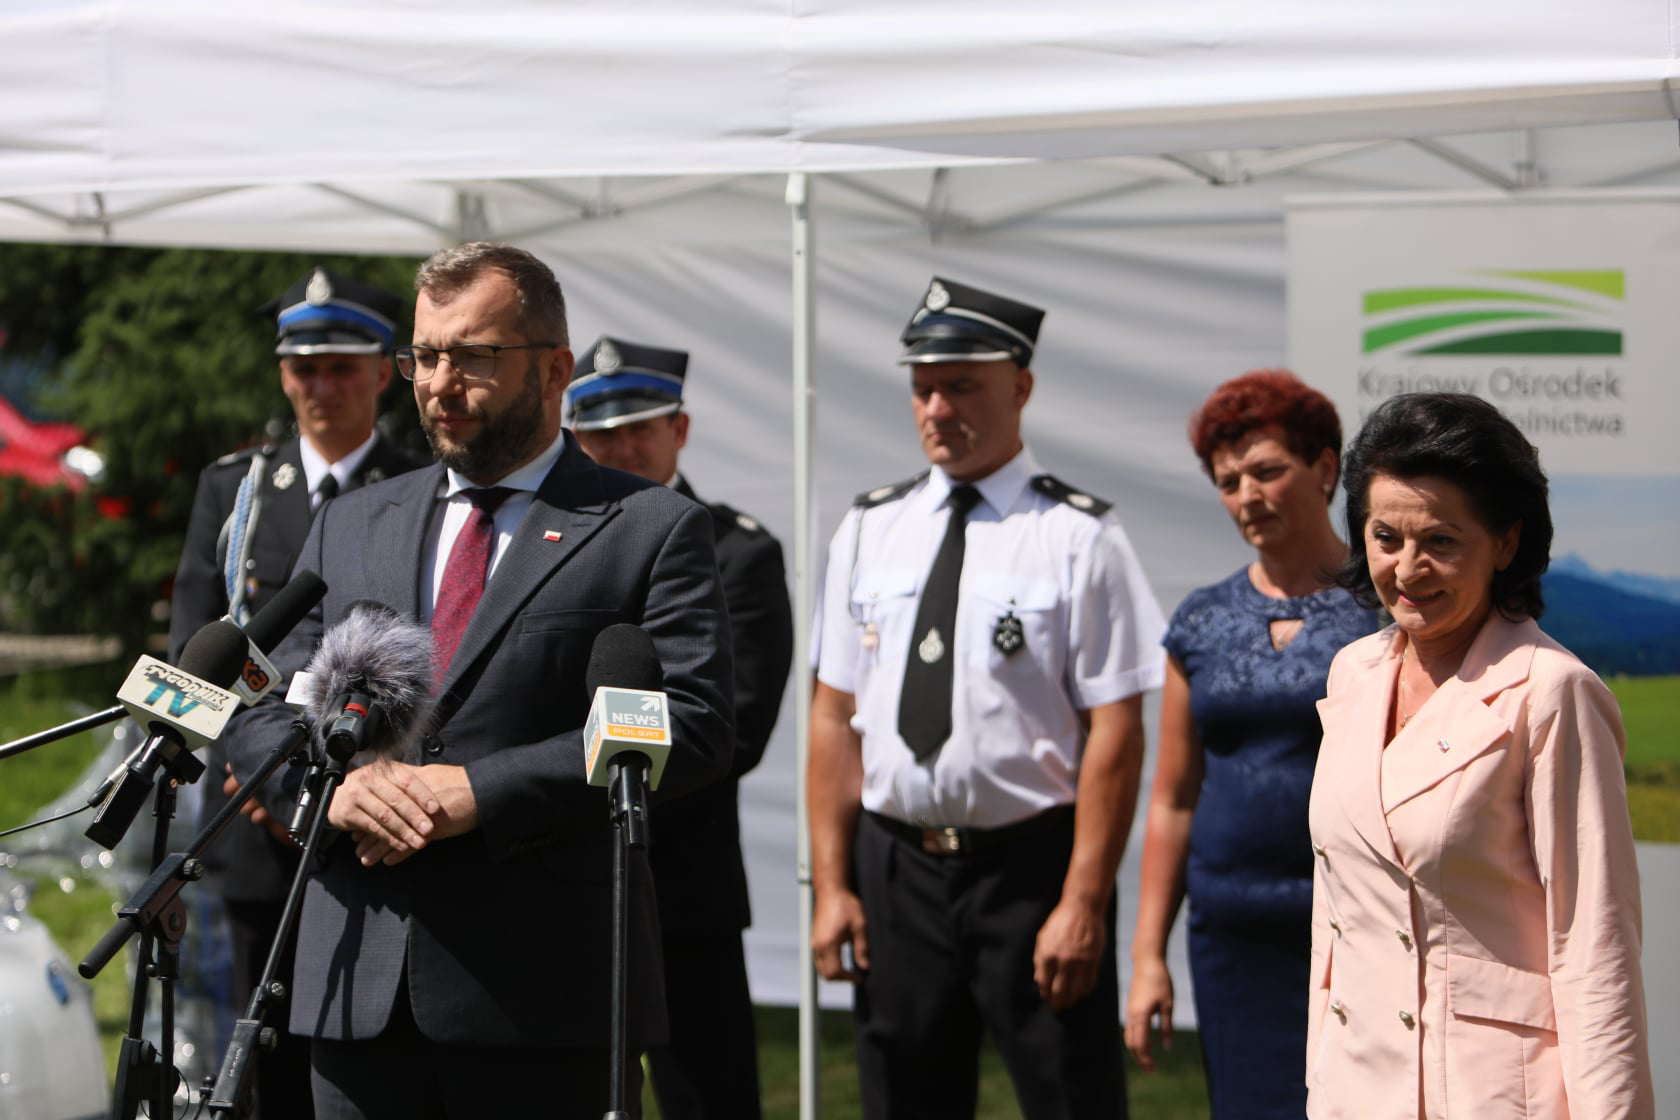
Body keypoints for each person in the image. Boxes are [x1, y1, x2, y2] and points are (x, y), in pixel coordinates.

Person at [222, 243, 735, 1119]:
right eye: (424, 356)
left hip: (541, 997)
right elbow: (264, 696)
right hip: (356, 984)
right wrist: (335, 792)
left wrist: (481, 792)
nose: (439, 383)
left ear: (555, 369)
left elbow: (689, 723)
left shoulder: (648, 527)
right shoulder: (352, 523)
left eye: (473, 356)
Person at [809, 277, 1167, 1119]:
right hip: (895, 867)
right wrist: (832, 885)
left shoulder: (1078, 535)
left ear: (1021, 388)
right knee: (902, 1102)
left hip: (1030, 871)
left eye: (962, 385)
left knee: (1070, 1098)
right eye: (924, 388)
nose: (938, 407)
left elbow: (1116, 731)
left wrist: (1083, 902)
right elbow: (833, 715)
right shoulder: (869, 527)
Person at [1308, 392, 1653, 1119]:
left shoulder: (1552, 691)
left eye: (1440, 541)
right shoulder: (1352, 672)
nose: (1408, 569)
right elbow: (1337, 916)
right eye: (1385, 537)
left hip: (1491, 1092)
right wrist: (1320, 1080)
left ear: (1505, 542)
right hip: (1356, 1085)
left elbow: (1595, 946)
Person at [169, 267, 422, 1120]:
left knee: (368, 1062)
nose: (321, 386)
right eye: (303, 368)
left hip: (372, 814)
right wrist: (258, 772)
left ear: (383, 372)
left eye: (341, 367)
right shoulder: (234, 488)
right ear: (282, 374)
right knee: (262, 1062)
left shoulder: (421, 486)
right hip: (254, 820)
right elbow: (197, 649)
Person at [1123, 370, 1377, 1117]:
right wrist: (1147, 956)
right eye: (1228, 482)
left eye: (1266, 471)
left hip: (1360, 931)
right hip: (1230, 937)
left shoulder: (1388, 609)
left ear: (1325, 468)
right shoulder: (1199, 621)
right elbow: (1173, 800)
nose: (1247, 497)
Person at [569, 336, 793, 1120]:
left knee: (705, 1099)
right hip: (554, 879)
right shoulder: (549, 547)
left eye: (640, 428)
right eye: (601, 433)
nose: (621, 448)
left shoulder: (738, 553)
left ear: (680, 429)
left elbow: (735, 727)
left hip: (682, 884)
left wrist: (552, 779)